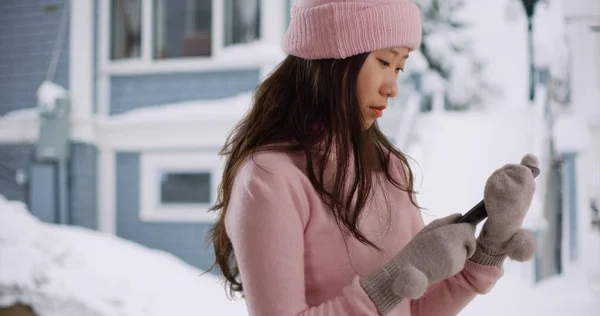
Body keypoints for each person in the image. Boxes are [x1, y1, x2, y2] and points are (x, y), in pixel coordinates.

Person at [207, 0, 538, 315]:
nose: (392, 87)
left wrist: (489, 249)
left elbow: (414, 309)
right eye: (383, 62)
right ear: (332, 59)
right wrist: (392, 281)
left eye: (400, 68)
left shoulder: (388, 166)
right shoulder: (269, 178)